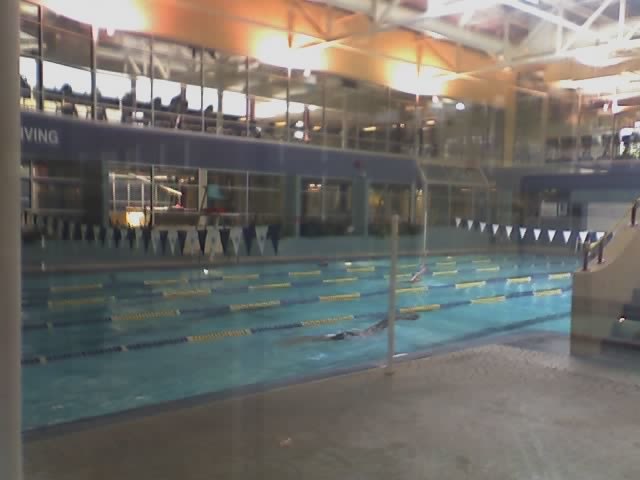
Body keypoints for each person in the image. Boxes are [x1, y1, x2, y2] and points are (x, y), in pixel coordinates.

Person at [283, 312, 419, 345]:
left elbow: (393, 318)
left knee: (321, 339)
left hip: (352, 334)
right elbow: (392, 318)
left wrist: (407, 317)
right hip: (352, 336)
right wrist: (409, 318)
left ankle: (297, 340)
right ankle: (297, 340)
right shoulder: (377, 329)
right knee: (321, 339)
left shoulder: (375, 329)